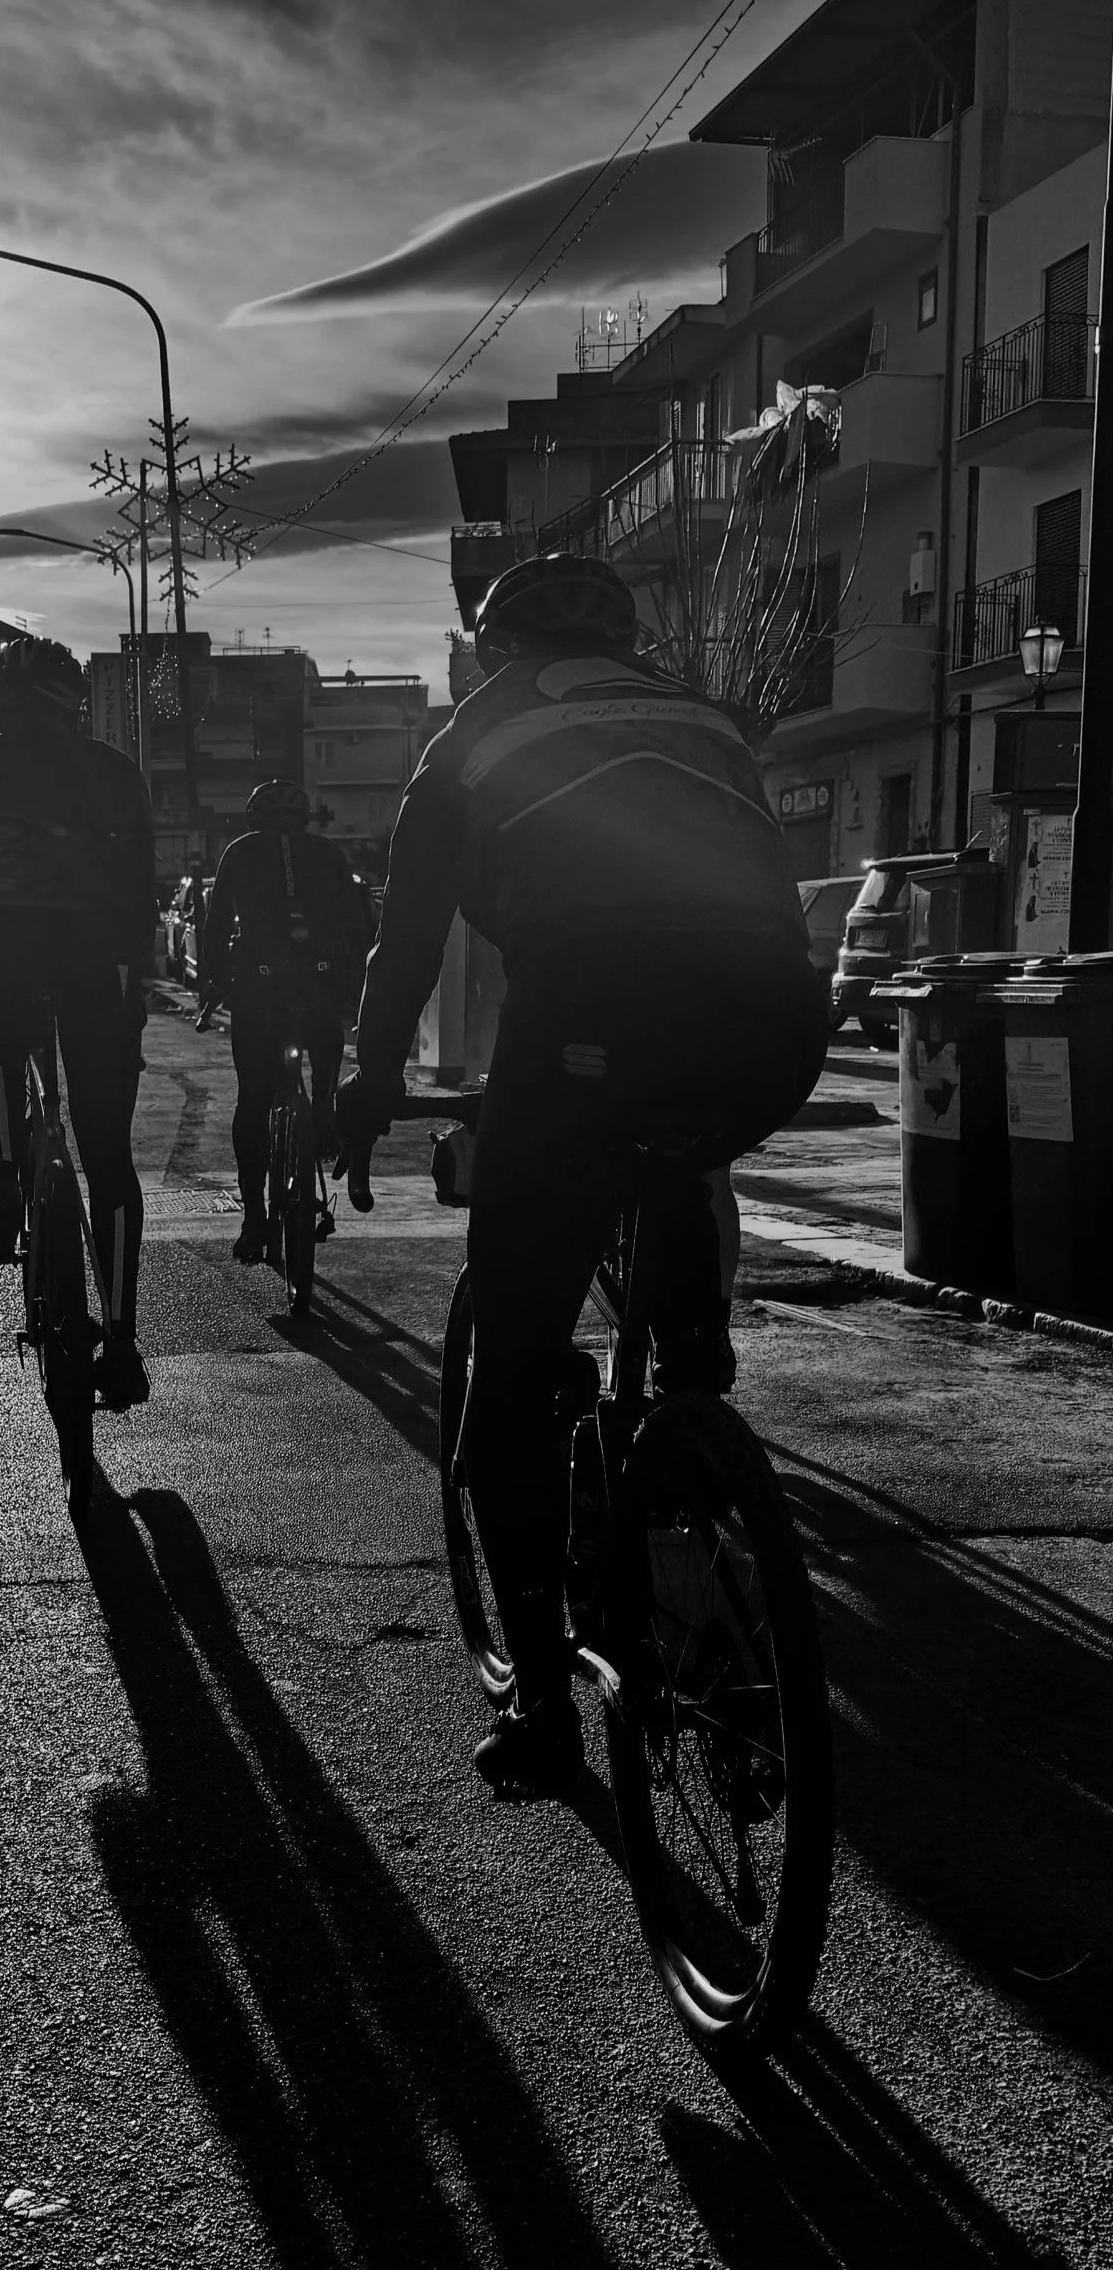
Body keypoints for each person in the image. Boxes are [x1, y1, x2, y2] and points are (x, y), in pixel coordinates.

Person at [336, 552, 824, 1792]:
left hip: (591, 1018)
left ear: (490, 644)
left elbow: (404, 946)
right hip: (775, 1029)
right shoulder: (704, 718)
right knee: (675, 1153)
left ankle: (543, 1702)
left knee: (509, 1375)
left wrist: (369, 1087)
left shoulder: (470, 739)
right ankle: (693, 1400)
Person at [0, 634, 155, 1409]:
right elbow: (139, 890)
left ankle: (6, 1185)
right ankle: (121, 1337)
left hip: (2, 934)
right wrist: (134, 992)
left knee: (3, 1043)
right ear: (75, 701)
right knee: (108, 1157)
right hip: (94, 952)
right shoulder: (115, 771)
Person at [199, 778, 373, 1264]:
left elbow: (215, 929)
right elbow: (358, 924)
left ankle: (254, 1220)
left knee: (253, 1100)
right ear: (305, 819)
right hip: (319, 981)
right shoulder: (327, 853)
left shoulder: (239, 852)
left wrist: (216, 979)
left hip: (258, 988)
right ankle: (322, 1112)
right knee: (324, 1039)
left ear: (254, 819)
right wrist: (350, 977)